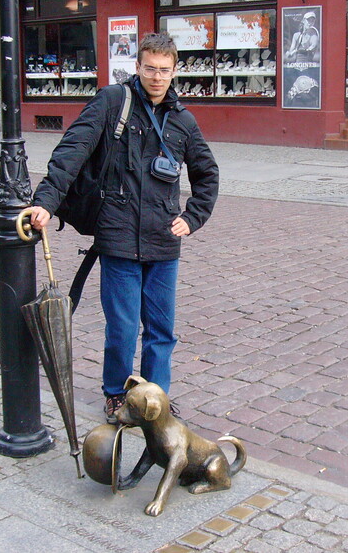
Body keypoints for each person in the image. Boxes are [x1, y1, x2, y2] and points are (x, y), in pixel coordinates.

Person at [26, 33, 219, 424]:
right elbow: (72, 150)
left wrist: (193, 217)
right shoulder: (113, 102)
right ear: (139, 66)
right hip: (117, 235)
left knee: (162, 329)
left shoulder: (182, 120)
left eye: (165, 70)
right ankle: (116, 393)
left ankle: (155, 397)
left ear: (174, 70)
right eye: (150, 68)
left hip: (164, 239)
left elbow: (207, 174)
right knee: (124, 327)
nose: (157, 77)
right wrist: (45, 201)